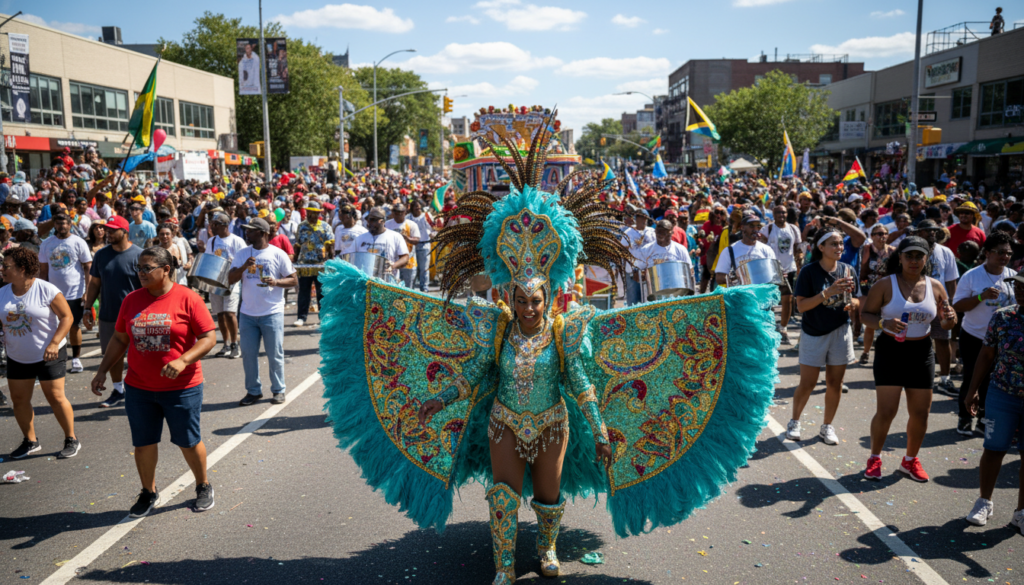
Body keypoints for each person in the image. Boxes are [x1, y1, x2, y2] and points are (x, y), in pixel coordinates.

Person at [324, 141, 777, 585]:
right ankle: (503, 564)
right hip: (503, 421)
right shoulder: (496, 327)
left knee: (548, 495)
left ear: (549, 297)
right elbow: (475, 376)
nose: (527, 308)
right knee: (502, 496)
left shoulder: (567, 329)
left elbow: (580, 381)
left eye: (535, 301)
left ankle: (547, 549)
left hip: (552, 423)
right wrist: (437, 401)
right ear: (511, 295)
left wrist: (600, 431)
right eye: (520, 299)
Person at [90, 246, 218, 517]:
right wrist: (102, 370)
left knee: (188, 440)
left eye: (147, 268)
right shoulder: (132, 300)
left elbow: (208, 338)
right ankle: (148, 492)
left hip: (182, 388)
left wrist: (183, 360)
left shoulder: (188, 298)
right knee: (143, 442)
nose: (141, 273)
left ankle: (203, 485)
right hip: (139, 388)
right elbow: (120, 339)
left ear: (166, 269)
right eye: (139, 268)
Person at [860, 237, 957, 482]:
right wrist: (884, 323)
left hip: (922, 352)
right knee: (887, 411)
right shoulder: (885, 285)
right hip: (891, 351)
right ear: (900, 257)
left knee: (921, 413)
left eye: (919, 256)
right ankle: (874, 457)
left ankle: (910, 461)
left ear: (926, 259)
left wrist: (950, 321)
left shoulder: (935, 286)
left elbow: (944, 323)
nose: (914, 261)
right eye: (909, 256)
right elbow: (866, 315)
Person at [2, 247, 78, 459]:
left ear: (22, 269)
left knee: (55, 396)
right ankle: (30, 441)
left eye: (6, 266)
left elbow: (67, 317)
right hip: (17, 355)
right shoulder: (2, 293)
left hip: (49, 354)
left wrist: (54, 343)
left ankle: (71, 438)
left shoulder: (46, 289)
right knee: (19, 399)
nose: (2, 270)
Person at [962, 273, 1023, 532]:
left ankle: (1021, 512)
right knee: (994, 449)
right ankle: (984, 501)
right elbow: (986, 353)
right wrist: (972, 389)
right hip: (1002, 392)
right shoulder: (1003, 317)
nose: (1019, 290)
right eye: (1017, 285)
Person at [786, 228, 858, 445]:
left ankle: (827, 426)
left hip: (840, 331)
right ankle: (794, 421)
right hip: (814, 332)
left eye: (840, 244)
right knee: (808, 383)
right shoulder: (809, 272)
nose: (839, 248)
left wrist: (851, 305)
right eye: (834, 244)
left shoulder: (848, 270)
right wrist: (828, 292)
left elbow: (857, 301)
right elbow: (801, 306)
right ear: (821, 247)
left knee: (835, 383)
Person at [951, 232, 1017, 436]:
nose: (1005, 257)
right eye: (1000, 253)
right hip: (974, 336)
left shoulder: (1013, 275)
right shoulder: (972, 276)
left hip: (1001, 341)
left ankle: (982, 418)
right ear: (987, 253)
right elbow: (959, 306)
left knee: (993, 380)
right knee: (972, 377)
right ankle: (964, 417)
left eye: (1008, 253)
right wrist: (981, 296)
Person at [228, 218, 297, 407]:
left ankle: (278, 390)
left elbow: (293, 280)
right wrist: (243, 267)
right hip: (248, 313)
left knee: (274, 353)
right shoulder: (242, 254)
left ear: (262, 233)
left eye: (251, 231)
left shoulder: (278, 254)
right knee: (249, 354)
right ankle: (253, 391)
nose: (247, 233)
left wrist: (276, 282)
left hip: (271, 312)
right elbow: (230, 279)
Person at [83, 216, 142, 408]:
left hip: (136, 317)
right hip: (109, 316)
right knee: (113, 355)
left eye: (112, 230)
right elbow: (95, 284)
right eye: (106, 229)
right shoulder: (101, 255)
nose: (108, 233)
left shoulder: (140, 255)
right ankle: (118, 390)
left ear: (124, 232)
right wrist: (87, 308)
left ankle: (141, 390)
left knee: (139, 355)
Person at [39, 213, 93, 374]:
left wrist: (87, 291)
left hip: (75, 293)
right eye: (58, 223)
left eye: (64, 224)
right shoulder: (46, 244)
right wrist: (42, 292)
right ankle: (53, 358)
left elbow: (88, 267)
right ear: (54, 225)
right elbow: (43, 271)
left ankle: (76, 359)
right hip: (53, 295)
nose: (62, 226)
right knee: (52, 327)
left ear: (70, 225)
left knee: (74, 326)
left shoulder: (78, 242)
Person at [913, 219, 960, 395]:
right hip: (916, 303)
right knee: (917, 339)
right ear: (919, 233)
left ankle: (945, 379)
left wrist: (951, 304)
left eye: (934, 230)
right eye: (927, 230)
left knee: (942, 339)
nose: (932, 233)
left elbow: (951, 281)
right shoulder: (912, 251)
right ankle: (916, 376)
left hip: (940, 303)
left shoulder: (945, 252)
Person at [761, 205, 803, 344]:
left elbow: (798, 247)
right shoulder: (767, 229)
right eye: (778, 212)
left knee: (788, 299)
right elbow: (759, 246)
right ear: (773, 214)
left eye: (783, 212)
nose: (781, 215)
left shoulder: (793, 229)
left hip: (788, 269)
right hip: (771, 269)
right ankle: (768, 327)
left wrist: (800, 258)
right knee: (769, 301)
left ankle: (783, 328)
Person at [207, 213, 246, 358]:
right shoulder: (211, 241)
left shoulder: (237, 241)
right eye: (212, 224)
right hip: (215, 280)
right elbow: (209, 259)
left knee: (230, 313)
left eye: (215, 224)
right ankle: (226, 344)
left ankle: (235, 344)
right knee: (221, 314)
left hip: (232, 280)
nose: (212, 227)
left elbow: (243, 260)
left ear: (224, 225)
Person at [293, 201, 334, 327]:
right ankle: (301, 317)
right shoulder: (301, 226)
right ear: (307, 212)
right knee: (304, 291)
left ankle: (323, 318)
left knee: (322, 292)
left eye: (315, 213)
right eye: (310, 213)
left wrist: (331, 260)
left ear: (318, 214)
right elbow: (298, 244)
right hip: (305, 263)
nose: (312, 215)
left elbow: (330, 244)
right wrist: (295, 260)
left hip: (320, 263)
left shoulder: (325, 226)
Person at [858, 224, 895, 365]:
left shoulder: (893, 251)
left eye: (885, 233)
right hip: (868, 288)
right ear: (872, 236)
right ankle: (866, 352)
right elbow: (861, 269)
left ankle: (888, 354)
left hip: (887, 289)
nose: (882, 236)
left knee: (890, 322)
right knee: (870, 323)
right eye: (879, 234)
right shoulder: (866, 249)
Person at [714, 214, 776, 287]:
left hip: (761, 295)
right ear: (742, 227)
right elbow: (719, 278)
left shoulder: (767, 249)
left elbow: (774, 274)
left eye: (758, 226)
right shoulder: (729, 251)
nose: (755, 229)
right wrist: (737, 277)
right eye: (752, 226)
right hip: (739, 295)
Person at [351, 207, 409, 279]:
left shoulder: (396, 236)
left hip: (387, 282)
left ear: (382, 221)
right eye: (368, 219)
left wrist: (393, 266)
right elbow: (351, 256)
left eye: (373, 220)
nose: (369, 222)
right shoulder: (360, 238)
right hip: (365, 282)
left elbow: (405, 257)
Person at [385, 203, 421, 289]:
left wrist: (407, 238)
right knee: (393, 286)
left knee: (408, 288)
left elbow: (417, 240)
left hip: (408, 261)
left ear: (405, 212)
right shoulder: (387, 224)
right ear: (393, 212)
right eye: (396, 212)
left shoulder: (411, 225)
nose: (399, 214)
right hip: (391, 261)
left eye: (401, 212)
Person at [408, 199, 434, 293]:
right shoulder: (408, 218)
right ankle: (412, 287)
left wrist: (432, 234)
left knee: (424, 268)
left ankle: (424, 287)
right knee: (413, 268)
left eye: (419, 208)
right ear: (412, 209)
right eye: (416, 208)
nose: (418, 209)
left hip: (424, 244)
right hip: (412, 245)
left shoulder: (426, 216)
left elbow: (433, 228)